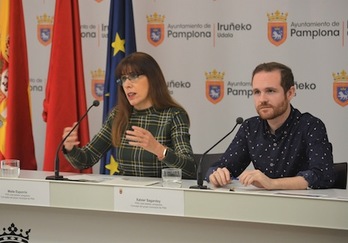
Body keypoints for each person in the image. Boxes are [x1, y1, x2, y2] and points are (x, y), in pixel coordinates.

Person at [62, 52, 196, 179]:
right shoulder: (119, 115)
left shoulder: (174, 115)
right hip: (125, 196)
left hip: (160, 198)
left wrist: (159, 149)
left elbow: (190, 168)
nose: (127, 84)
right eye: (123, 79)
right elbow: (86, 159)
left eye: (133, 76)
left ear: (153, 78)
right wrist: (70, 148)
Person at [207, 62, 336, 189]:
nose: (262, 99)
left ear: (290, 93)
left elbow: (323, 175)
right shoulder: (250, 127)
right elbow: (221, 167)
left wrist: (272, 183)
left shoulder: (310, 126)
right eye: (257, 92)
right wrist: (217, 175)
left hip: (302, 206)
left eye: (270, 91)